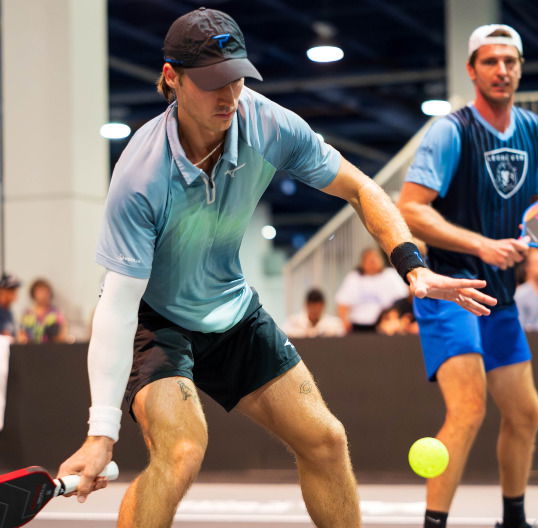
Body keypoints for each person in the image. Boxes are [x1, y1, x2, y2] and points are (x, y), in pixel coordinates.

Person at [57, 9, 495, 526]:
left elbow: (361, 187)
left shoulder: (266, 123)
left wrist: (412, 267)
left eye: (237, 77)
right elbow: (119, 302)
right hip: (158, 323)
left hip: (233, 313)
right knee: (180, 453)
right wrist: (100, 434)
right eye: (212, 82)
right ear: (171, 78)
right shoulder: (139, 174)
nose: (230, 95)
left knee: (326, 440)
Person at [396, 23, 538, 528]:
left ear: (520, 68)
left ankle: (514, 520)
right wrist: (481, 244)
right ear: (471, 70)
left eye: (510, 61)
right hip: (448, 288)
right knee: (469, 409)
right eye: (490, 61)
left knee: (526, 413)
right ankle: (434, 524)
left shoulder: (534, 130)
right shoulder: (450, 129)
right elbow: (411, 210)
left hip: (499, 295)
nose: (502, 70)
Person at [335, 248, 409, 333]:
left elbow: (403, 299)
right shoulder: (354, 278)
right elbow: (343, 302)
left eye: (375, 258)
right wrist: (344, 321)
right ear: (362, 262)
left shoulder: (390, 275)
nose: (372, 262)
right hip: (357, 325)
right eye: (369, 260)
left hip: (385, 325)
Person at [19, 278, 71, 344]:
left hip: (51, 350)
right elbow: (21, 333)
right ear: (33, 294)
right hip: (30, 350)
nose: (43, 295)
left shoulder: (56, 313)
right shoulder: (27, 314)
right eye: (39, 291)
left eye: (46, 292)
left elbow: (63, 332)